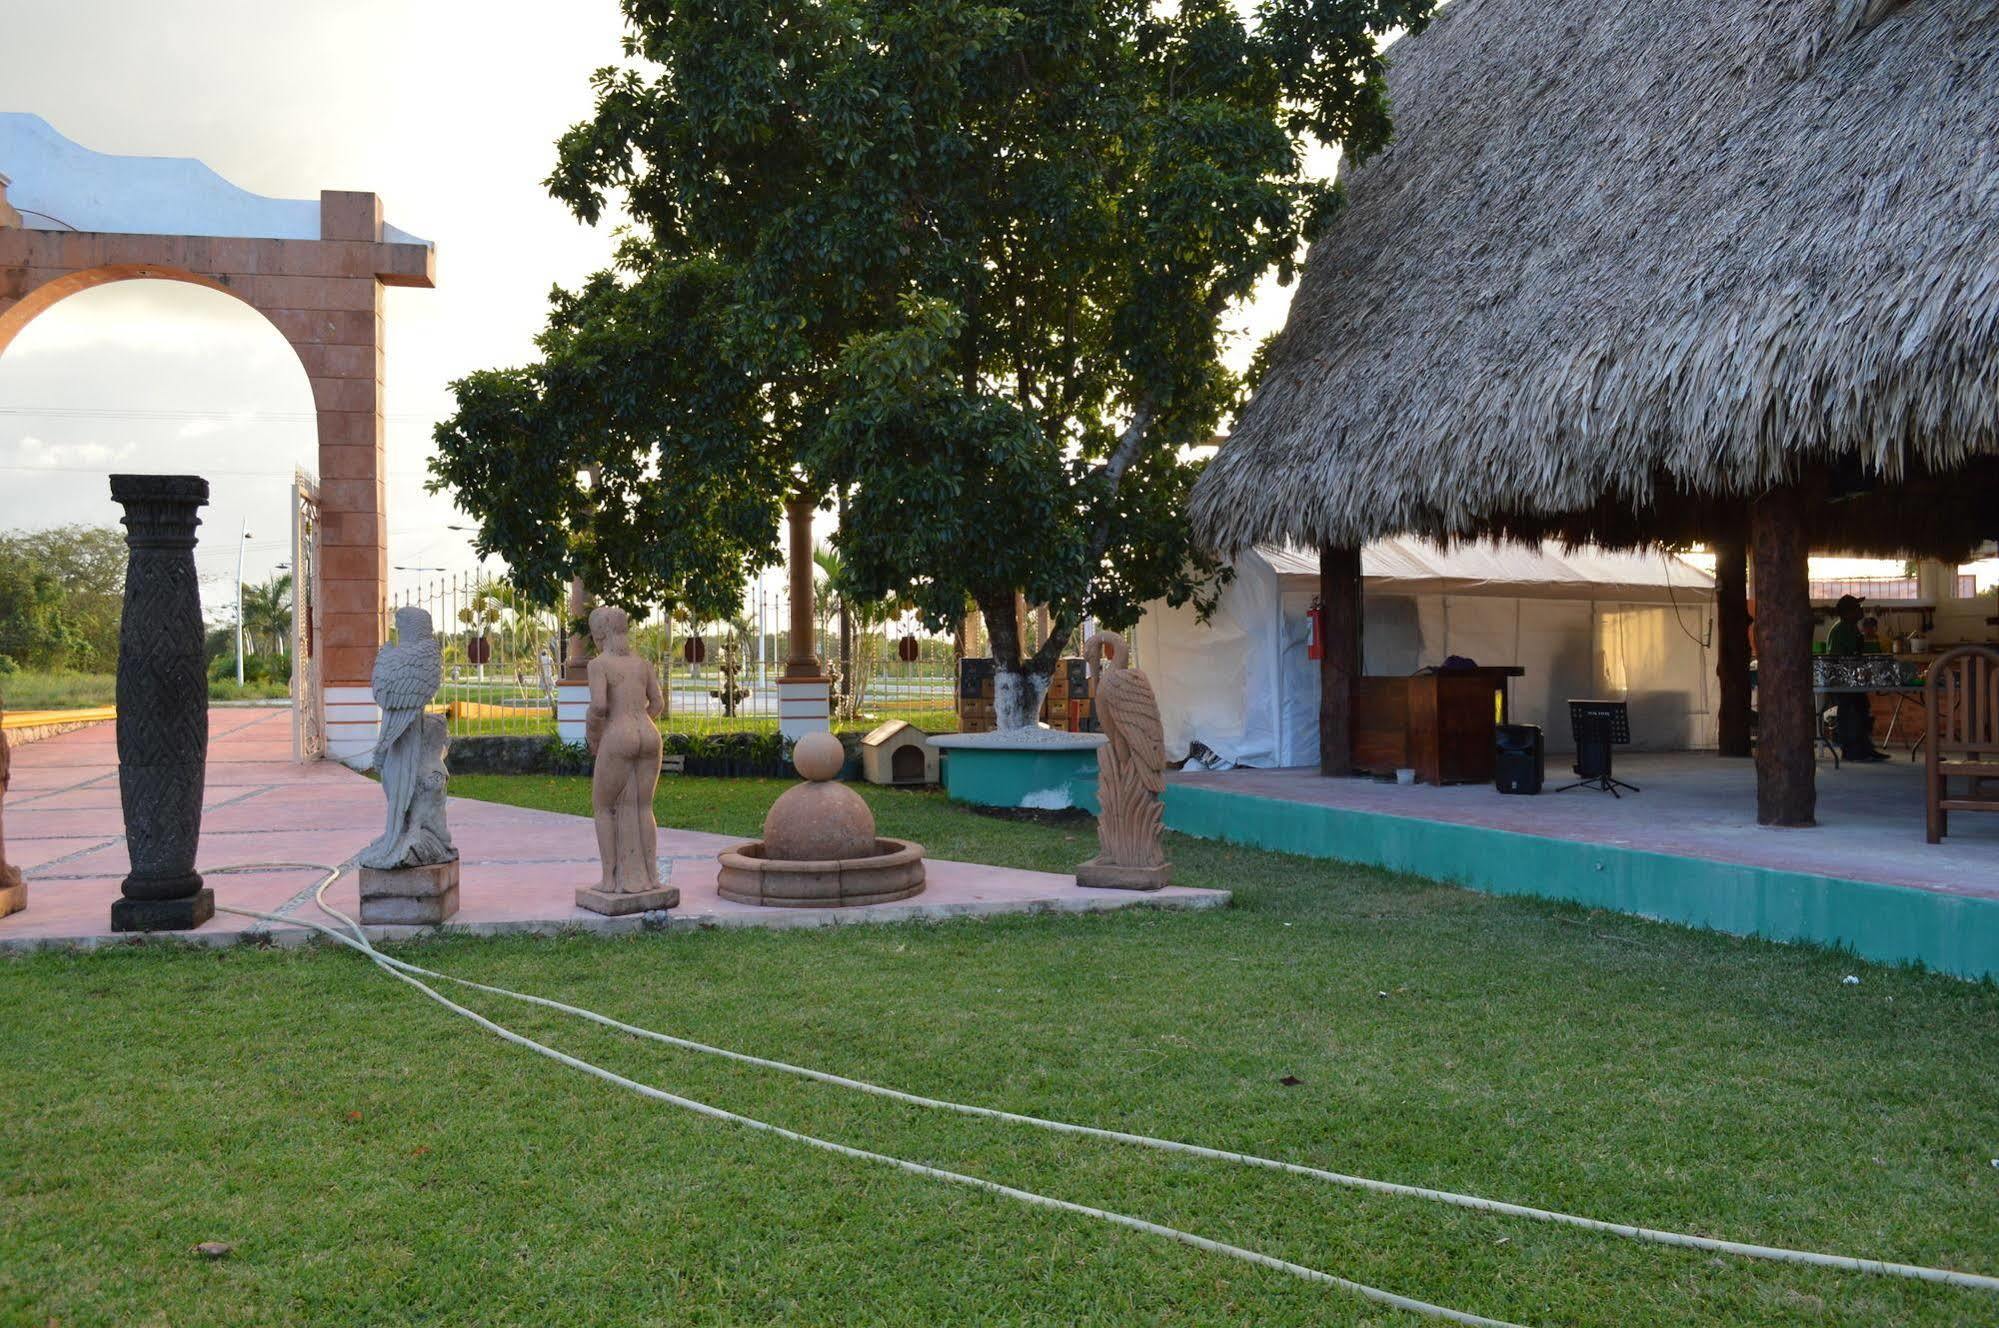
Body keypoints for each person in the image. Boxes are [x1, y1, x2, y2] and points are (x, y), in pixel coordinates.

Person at [1826, 594, 1889, 762]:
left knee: (1862, 709)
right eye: (1856, 608)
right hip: (1842, 681)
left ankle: (1866, 747)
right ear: (1847, 613)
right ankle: (1850, 749)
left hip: (1853, 680)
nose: (1860, 610)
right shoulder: (1840, 630)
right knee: (1849, 713)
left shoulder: (1852, 628)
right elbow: (1839, 657)